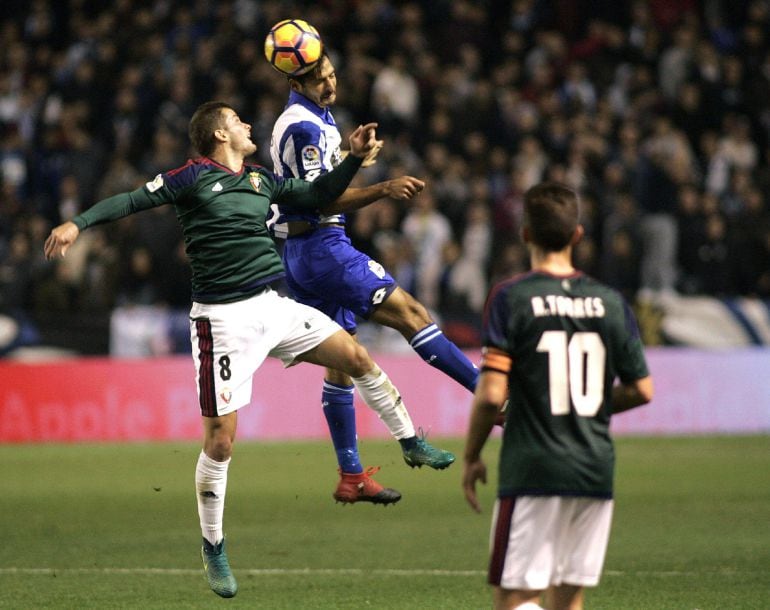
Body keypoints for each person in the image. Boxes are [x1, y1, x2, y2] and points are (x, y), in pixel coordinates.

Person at [44, 101, 426, 599]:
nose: (248, 125)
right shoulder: (191, 178)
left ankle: (411, 441)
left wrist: (352, 158)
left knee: (354, 357)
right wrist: (77, 223)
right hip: (221, 322)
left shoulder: (261, 179)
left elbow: (318, 194)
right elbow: (131, 201)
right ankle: (214, 545)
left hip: (272, 305)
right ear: (220, 133)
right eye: (238, 120)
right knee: (221, 442)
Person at [268, 50, 480, 484]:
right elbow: (320, 199)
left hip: (302, 252)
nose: (330, 84)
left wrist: (352, 157)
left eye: (331, 74)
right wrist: (382, 186)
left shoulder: (318, 116)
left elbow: (320, 182)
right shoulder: (304, 126)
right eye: (319, 79)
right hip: (323, 247)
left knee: (342, 361)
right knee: (414, 315)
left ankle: (351, 474)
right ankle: (493, 399)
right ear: (295, 84)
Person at [461, 182, 654, 610]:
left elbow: (492, 395)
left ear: (525, 233)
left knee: (514, 600)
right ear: (578, 235)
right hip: (594, 468)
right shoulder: (611, 302)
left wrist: (472, 454)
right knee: (568, 601)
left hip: (533, 466)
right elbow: (642, 389)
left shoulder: (512, 297)